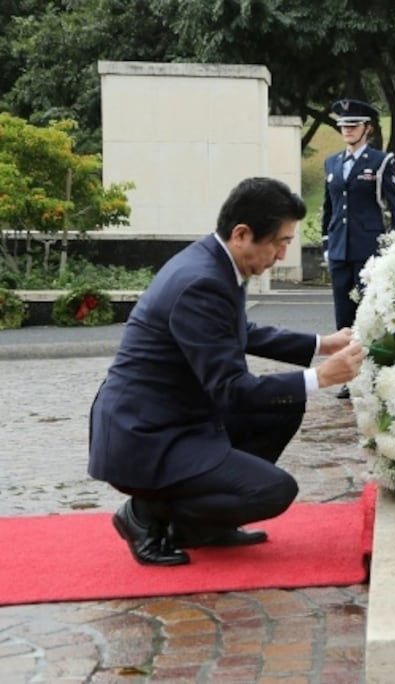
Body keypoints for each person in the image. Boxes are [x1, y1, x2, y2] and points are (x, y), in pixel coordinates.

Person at [88, 177, 367, 566]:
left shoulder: (213, 262)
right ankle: (144, 514)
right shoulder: (202, 280)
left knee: (282, 406)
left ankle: (205, 526)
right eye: (280, 242)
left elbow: (239, 332)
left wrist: (320, 344)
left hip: (175, 417)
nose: (282, 254)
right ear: (242, 234)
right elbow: (232, 390)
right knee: (274, 491)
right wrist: (321, 377)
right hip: (146, 435)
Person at [321, 98, 395, 398]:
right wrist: (326, 242)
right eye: (343, 125)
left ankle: (372, 374)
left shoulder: (380, 162)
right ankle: (349, 376)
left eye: (353, 125)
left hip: (369, 250)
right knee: (344, 316)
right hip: (340, 250)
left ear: (367, 128)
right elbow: (328, 208)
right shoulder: (331, 163)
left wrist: (393, 248)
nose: (347, 130)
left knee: (368, 315)